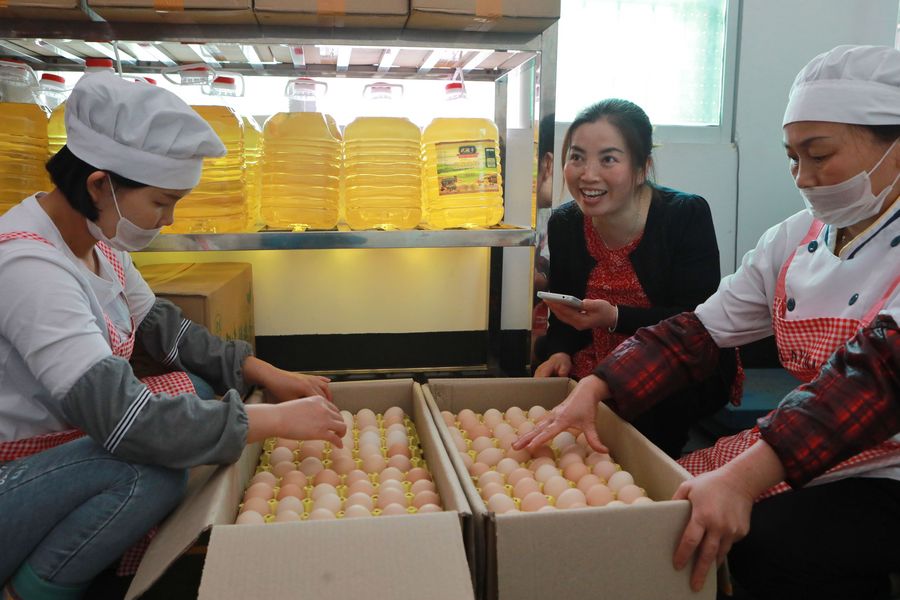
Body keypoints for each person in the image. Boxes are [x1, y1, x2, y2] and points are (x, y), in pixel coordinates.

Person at [515, 45, 900, 599]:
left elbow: (877, 377)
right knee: (681, 490)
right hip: (825, 436)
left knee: (768, 539)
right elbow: (695, 331)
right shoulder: (798, 238)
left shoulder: (681, 214)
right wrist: (597, 387)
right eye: (793, 158)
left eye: (819, 154)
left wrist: (745, 478)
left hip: (888, 462)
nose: (804, 177)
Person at [0, 72, 347, 599]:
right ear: (99, 185)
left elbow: (164, 329)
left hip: (63, 441)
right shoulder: (29, 267)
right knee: (149, 474)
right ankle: (32, 590)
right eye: (162, 203)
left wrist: (264, 372)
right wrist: (275, 420)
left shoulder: (96, 239)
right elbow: (124, 420)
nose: (168, 219)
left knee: (198, 390)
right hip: (14, 471)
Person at [533, 98, 737, 458]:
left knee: (632, 443)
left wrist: (615, 317)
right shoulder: (565, 223)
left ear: (642, 168)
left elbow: (697, 322)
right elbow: (565, 312)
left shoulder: (684, 215)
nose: (588, 174)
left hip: (672, 366)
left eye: (608, 159)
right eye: (577, 157)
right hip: (594, 362)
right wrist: (560, 350)